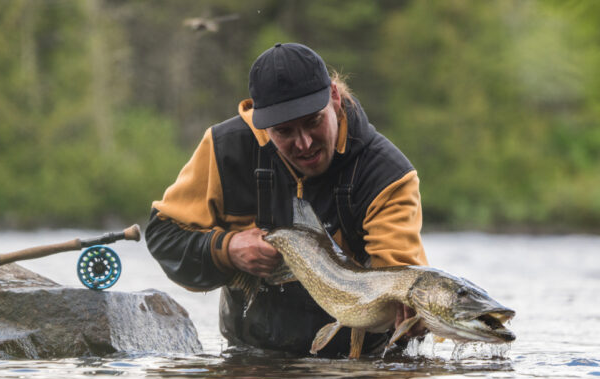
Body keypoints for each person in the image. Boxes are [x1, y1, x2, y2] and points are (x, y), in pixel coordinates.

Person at [146, 43, 428, 356]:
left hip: (357, 367)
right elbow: (164, 237)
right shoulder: (225, 149)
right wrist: (227, 250)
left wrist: (412, 319)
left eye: (313, 122)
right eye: (284, 131)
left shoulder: (387, 175)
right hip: (249, 362)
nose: (304, 143)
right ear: (262, 124)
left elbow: (401, 276)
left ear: (334, 97)